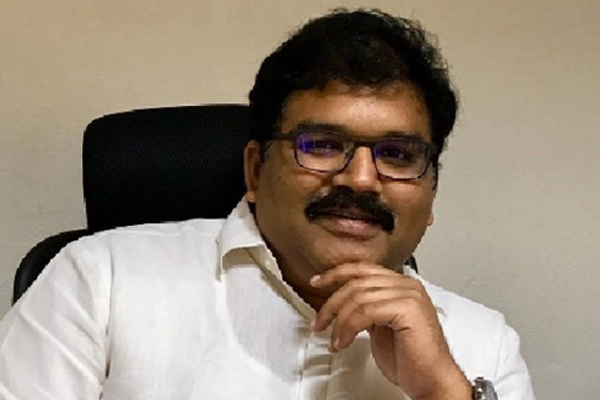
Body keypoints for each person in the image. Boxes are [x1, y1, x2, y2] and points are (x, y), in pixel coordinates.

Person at [0, 8, 535, 400]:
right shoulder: (101, 279)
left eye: (398, 154)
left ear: (431, 194)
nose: (362, 179)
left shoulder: (483, 342)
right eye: (322, 145)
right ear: (256, 170)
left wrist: (443, 391)